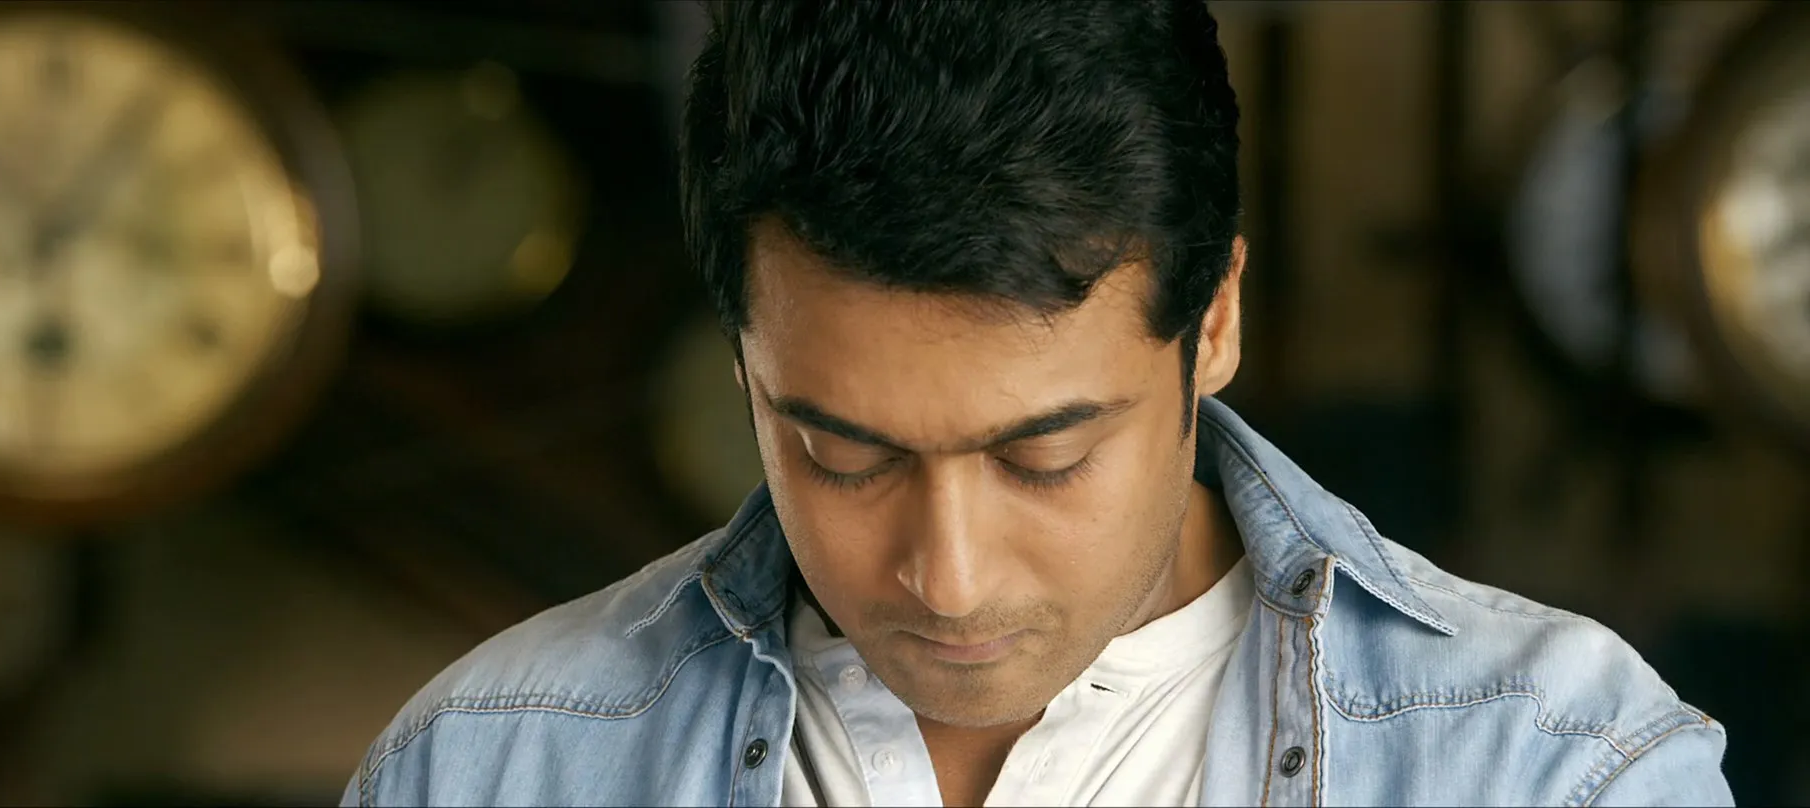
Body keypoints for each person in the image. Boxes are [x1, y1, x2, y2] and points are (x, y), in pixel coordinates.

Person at [342, 2, 1734, 805]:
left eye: (1048, 455)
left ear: (1215, 322)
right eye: (840, 453)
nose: (947, 578)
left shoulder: (1553, 771)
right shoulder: (490, 768)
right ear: (743, 368)